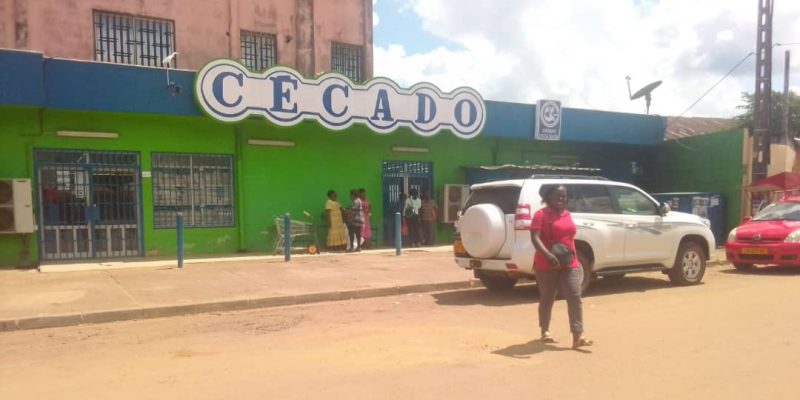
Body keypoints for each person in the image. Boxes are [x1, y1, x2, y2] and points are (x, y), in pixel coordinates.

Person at [530, 184, 593, 349]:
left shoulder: (567, 214)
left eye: (564, 196)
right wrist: (547, 255)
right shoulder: (541, 215)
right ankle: (545, 331)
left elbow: (569, 237)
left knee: (575, 296)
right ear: (549, 197)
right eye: (557, 195)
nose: (561, 199)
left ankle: (578, 336)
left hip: (569, 263)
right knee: (548, 297)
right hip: (546, 263)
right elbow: (535, 237)